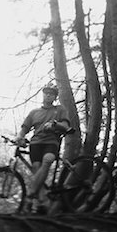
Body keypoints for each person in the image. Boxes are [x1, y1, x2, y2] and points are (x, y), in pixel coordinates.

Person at [16, 82, 70, 214]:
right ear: (43, 95)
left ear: (54, 97)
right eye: (46, 93)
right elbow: (25, 128)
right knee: (36, 169)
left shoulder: (60, 110)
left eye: (51, 94)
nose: (48, 95)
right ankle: (43, 204)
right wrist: (20, 137)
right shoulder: (34, 112)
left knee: (48, 160)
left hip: (51, 142)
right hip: (35, 144)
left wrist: (55, 124)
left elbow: (66, 126)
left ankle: (30, 196)